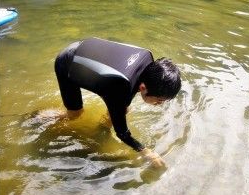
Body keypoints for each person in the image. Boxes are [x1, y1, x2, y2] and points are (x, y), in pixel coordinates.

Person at [54, 37, 181, 167]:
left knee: (122, 108)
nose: (160, 104)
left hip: (83, 47)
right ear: (143, 88)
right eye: (159, 100)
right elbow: (122, 133)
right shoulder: (122, 86)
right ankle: (40, 117)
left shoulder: (148, 59)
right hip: (67, 64)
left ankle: (102, 128)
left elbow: (121, 90)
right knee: (75, 114)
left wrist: (118, 109)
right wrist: (146, 152)